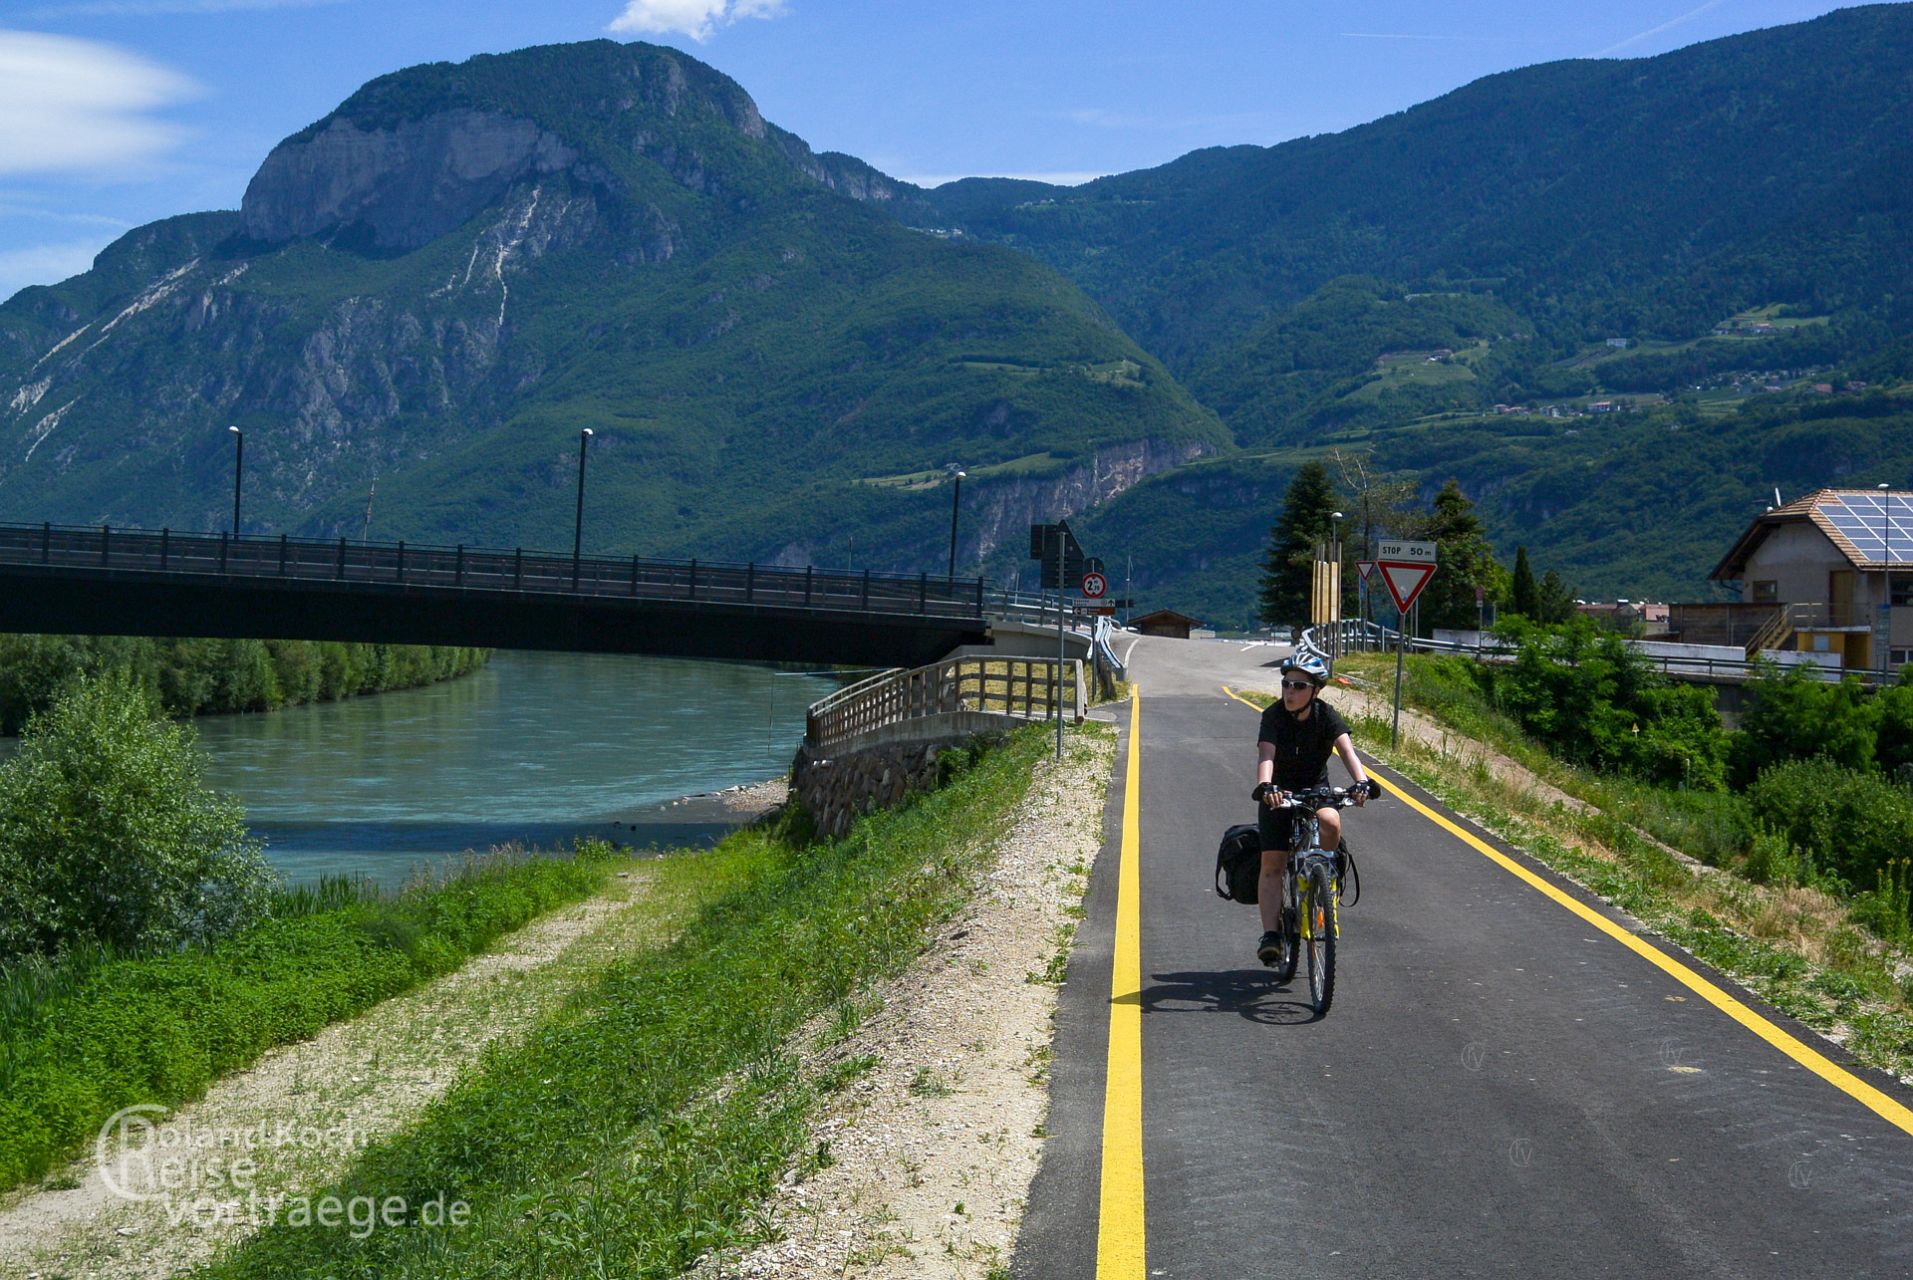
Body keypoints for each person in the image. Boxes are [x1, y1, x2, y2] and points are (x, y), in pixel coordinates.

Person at [1251, 652, 1375, 964]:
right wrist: (1266, 786)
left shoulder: (1326, 715)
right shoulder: (1273, 716)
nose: (1290, 691)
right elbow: (1266, 754)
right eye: (1286, 684)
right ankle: (1271, 935)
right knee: (1273, 865)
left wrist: (1361, 781)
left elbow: (1346, 750)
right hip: (1278, 794)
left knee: (1331, 822)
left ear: (1315, 690)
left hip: (1316, 791)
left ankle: (1324, 884)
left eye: (1298, 686)